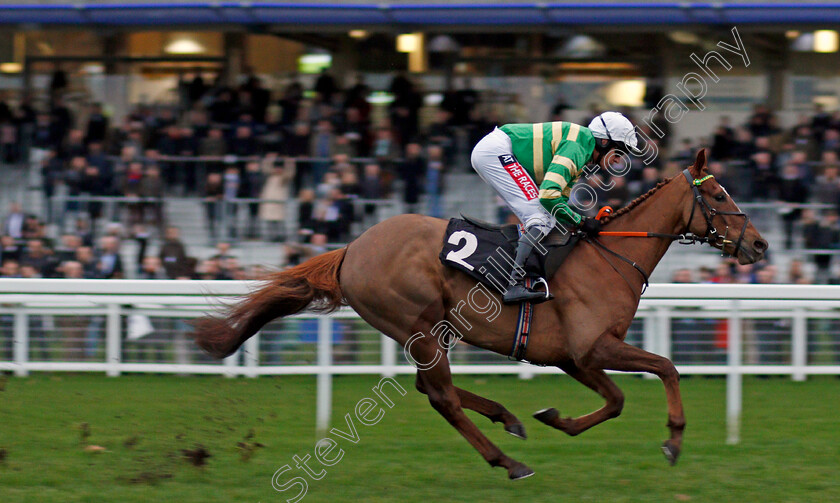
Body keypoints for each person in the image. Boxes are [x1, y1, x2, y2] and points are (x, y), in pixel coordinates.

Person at [470, 111, 640, 303]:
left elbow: (559, 203)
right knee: (541, 217)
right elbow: (549, 197)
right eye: (619, 152)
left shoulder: (582, 148)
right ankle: (514, 284)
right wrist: (582, 221)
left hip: (496, 149)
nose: (619, 160)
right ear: (603, 142)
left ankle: (527, 274)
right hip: (496, 151)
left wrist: (578, 223)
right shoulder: (576, 147)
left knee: (546, 218)